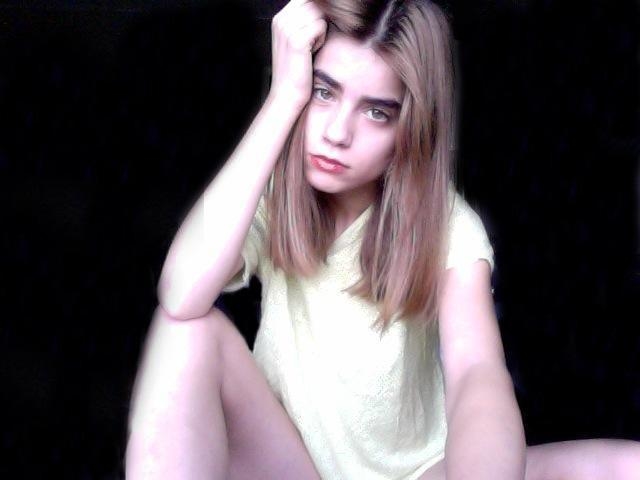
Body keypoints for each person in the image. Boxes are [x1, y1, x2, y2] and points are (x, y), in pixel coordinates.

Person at [124, 1, 640, 479]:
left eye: (376, 112)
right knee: (187, 330)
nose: (337, 133)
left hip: (419, 474)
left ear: (409, 129)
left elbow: (476, 373)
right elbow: (181, 293)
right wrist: (283, 99)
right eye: (324, 92)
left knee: (626, 465)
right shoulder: (272, 191)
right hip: (291, 467)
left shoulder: (447, 224)